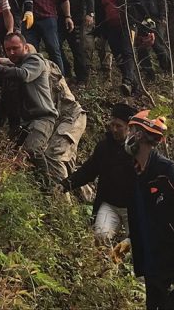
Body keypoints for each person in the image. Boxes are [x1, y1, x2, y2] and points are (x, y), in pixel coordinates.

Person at [124, 110, 174, 310]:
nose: (127, 136)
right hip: (153, 268)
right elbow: (146, 217)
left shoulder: (165, 171)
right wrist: (130, 240)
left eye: (131, 130)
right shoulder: (138, 173)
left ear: (140, 135)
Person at [0, 32, 59, 178]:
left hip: (42, 118)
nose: (11, 52)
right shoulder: (11, 72)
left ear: (25, 47)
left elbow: (23, 74)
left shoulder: (35, 61)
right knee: (13, 160)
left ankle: (50, 190)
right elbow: (5, 103)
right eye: (8, 49)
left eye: (15, 48)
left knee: (31, 150)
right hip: (21, 123)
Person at [59, 102, 138, 244]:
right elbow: (88, 171)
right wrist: (65, 185)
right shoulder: (104, 147)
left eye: (119, 126)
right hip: (109, 204)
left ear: (129, 127)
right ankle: (104, 264)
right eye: (112, 124)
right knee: (101, 236)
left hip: (133, 208)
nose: (114, 129)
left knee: (139, 246)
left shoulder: (139, 151)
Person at [93, 0, 146, 96]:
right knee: (119, 57)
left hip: (128, 25)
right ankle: (133, 86)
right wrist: (100, 34)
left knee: (128, 52)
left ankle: (127, 81)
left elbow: (137, 3)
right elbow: (99, 15)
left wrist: (146, 21)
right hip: (111, 28)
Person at [56, 0, 93, 85]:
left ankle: (82, 78)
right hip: (60, 21)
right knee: (56, 46)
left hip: (77, 21)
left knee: (77, 49)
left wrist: (90, 13)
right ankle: (66, 71)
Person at [131, 0, 170, 79]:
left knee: (158, 45)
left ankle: (167, 69)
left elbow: (161, 1)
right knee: (142, 48)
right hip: (140, 21)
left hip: (155, 19)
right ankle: (149, 74)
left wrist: (163, 17)